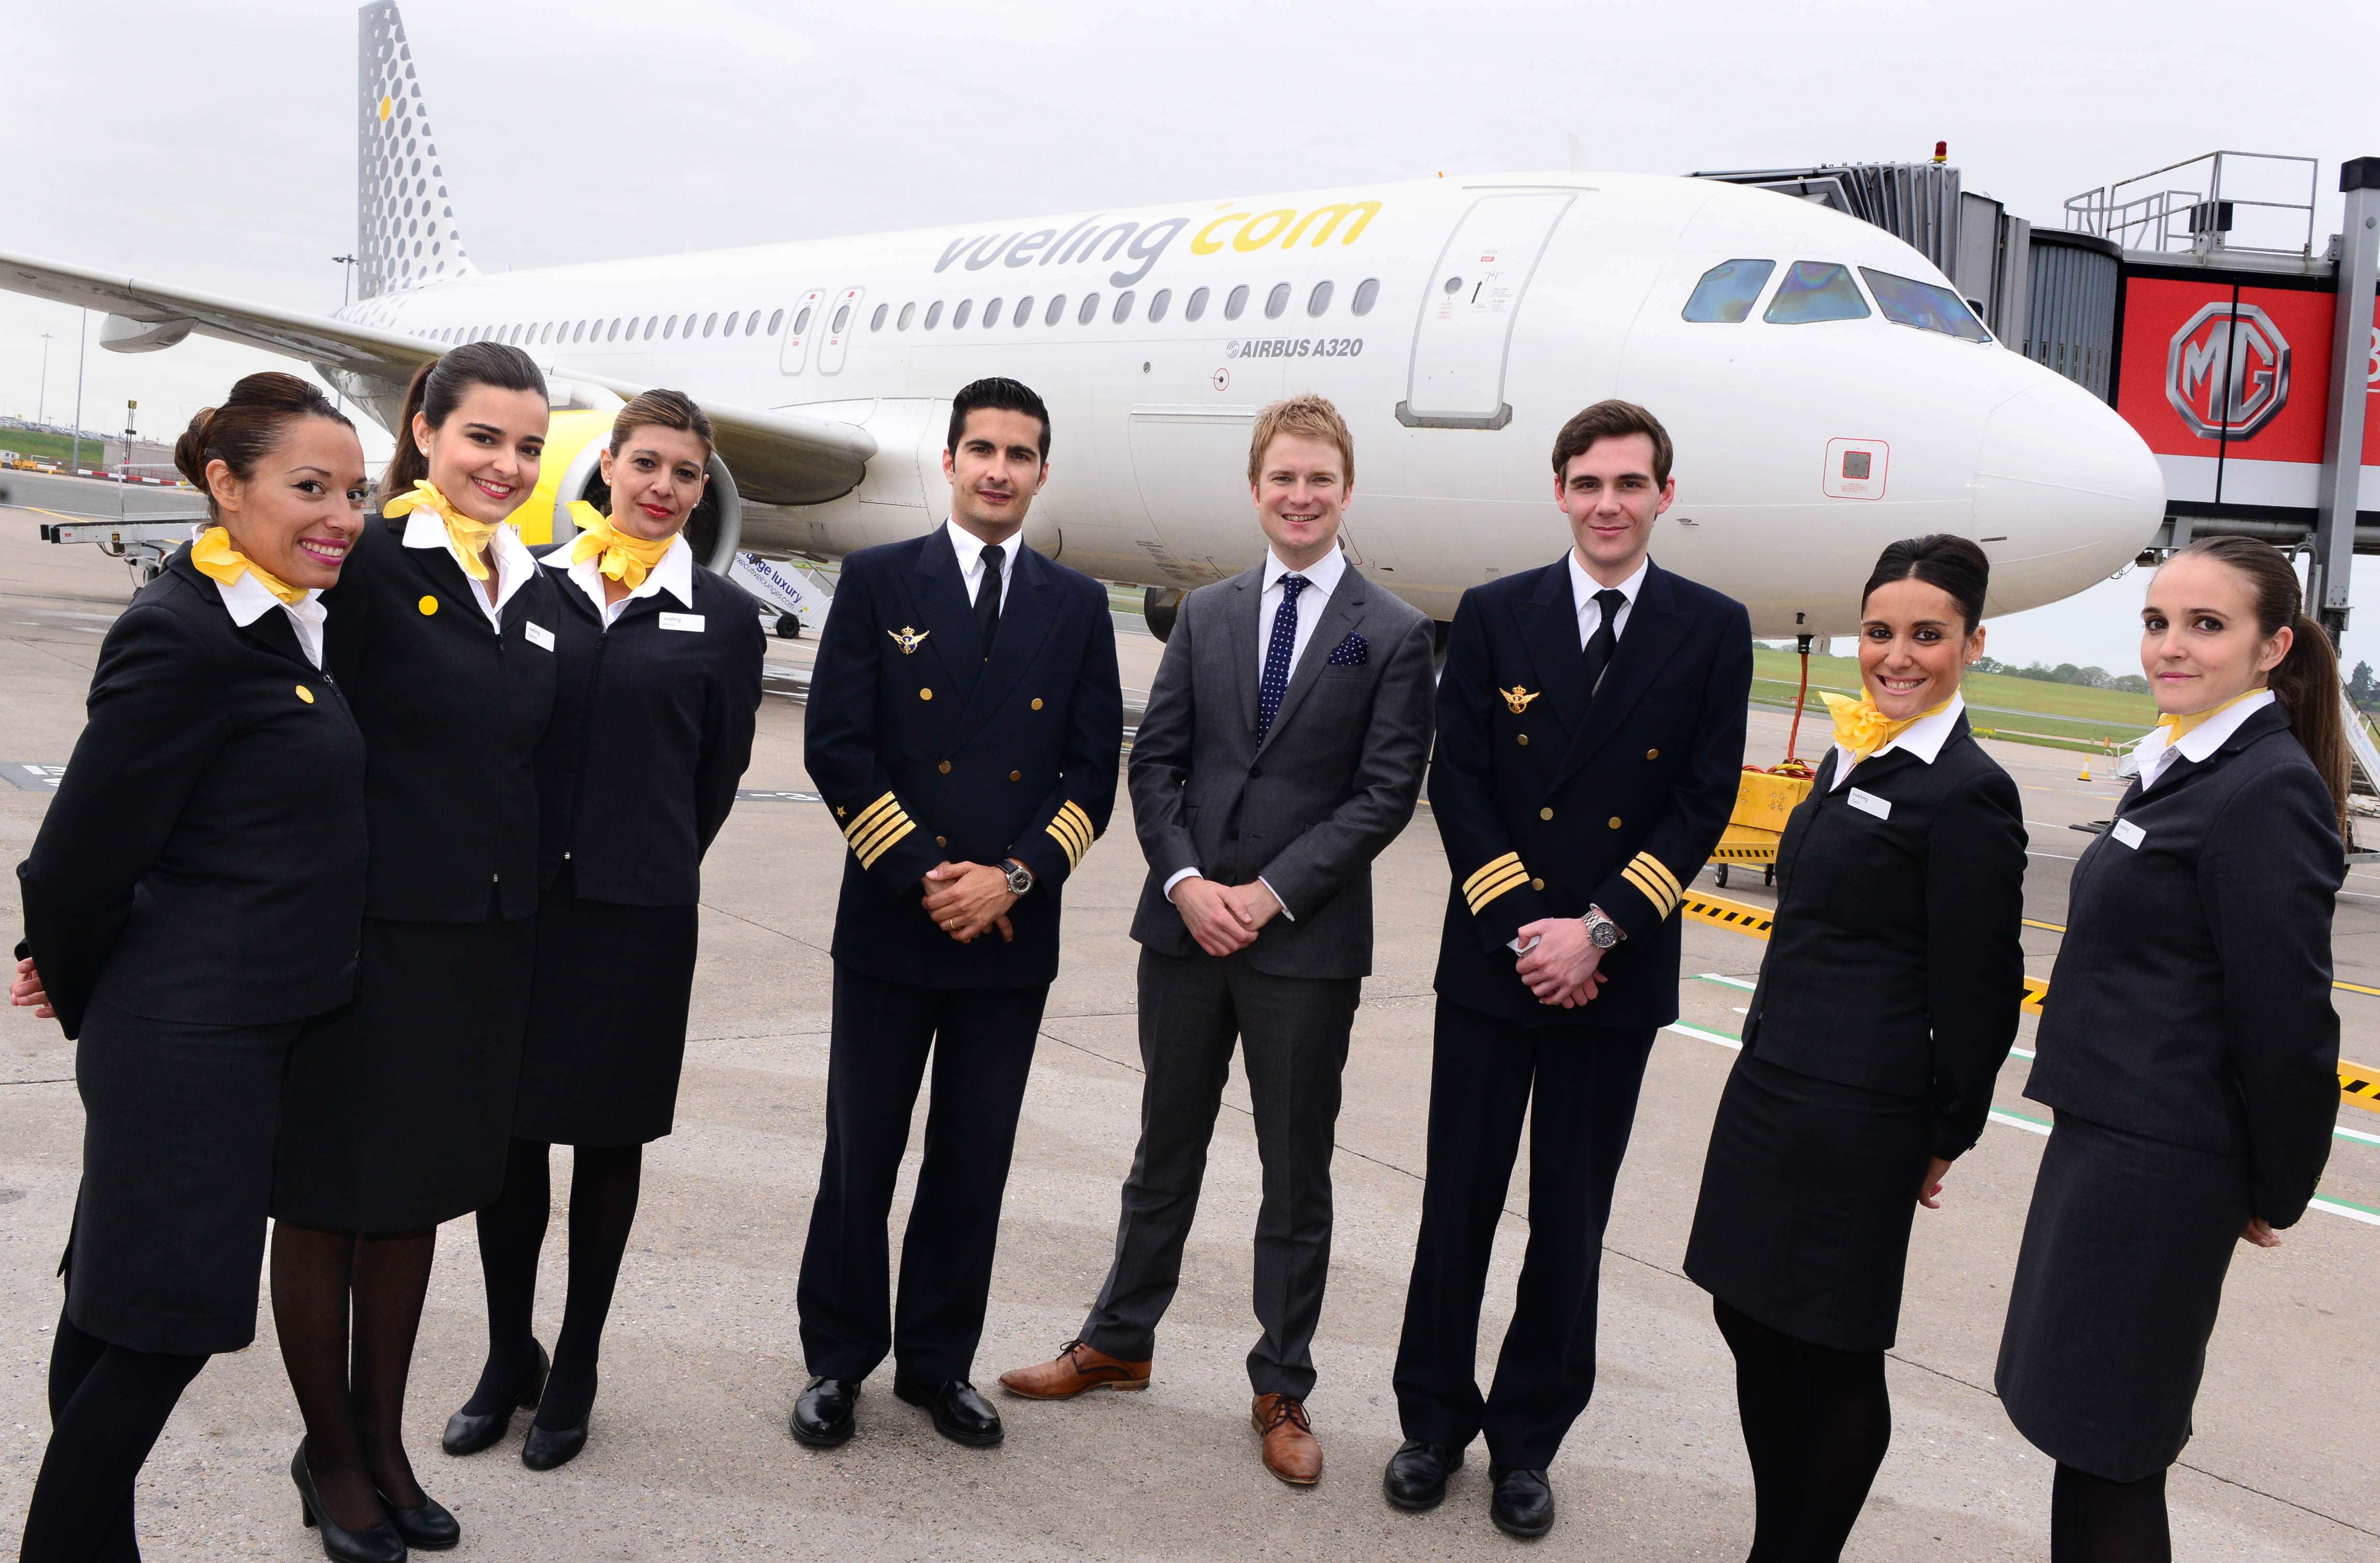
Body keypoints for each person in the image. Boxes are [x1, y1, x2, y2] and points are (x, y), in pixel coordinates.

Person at [996, 395, 1436, 1485]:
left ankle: (1281, 1384)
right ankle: (1117, 1342)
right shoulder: (1207, 614)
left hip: (1302, 943)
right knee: (1163, 1152)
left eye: (1319, 481)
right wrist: (1188, 881)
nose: (1299, 497)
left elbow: (1385, 795)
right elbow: (1157, 763)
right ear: (1256, 489)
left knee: (1297, 1176)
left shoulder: (1391, 631)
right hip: (1186, 931)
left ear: (1345, 492)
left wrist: (1270, 893)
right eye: (1282, 479)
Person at [11, 373, 369, 1561]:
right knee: (166, 1323)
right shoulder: (185, 632)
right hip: (192, 1038)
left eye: (355, 493)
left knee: (114, 1300)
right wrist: (79, 977)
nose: (341, 516)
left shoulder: (271, 616)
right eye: (309, 487)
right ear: (225, 484)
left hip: (217, 1023)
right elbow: (73, 863)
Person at [1385, 399, 1751, 1538]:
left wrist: (1594, 932)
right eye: (1587, 484)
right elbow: (1462, 782)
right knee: (1458, 1200)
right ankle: (1433, 1423)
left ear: (1662, 496)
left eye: (1629, 485)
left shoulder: (1711, 625)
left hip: (1616, 967)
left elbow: (1702, 797)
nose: (1607, 504)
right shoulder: (1496, 615)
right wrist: (1526, 932)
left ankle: (1527, 1443)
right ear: (1559, 492)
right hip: (1497, 963)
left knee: (1571, 1215)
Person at [1997, 536, 2347, 1563]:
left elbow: (2289, 1023)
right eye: (2157, 622)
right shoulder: (2185, 762)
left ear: (2273, 645)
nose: (2171, 646)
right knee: (2084, 1437)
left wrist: (2271, 1184)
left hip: (2159, 1169)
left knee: (2111, 1451)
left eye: (2206, 625)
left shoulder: (2262, 790)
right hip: (2111, 1149)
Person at [266, 340, 560, 1560]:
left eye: (529, 447)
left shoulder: (531, 586)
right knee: (330, 1202)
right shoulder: (366, 560)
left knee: (415, 1206)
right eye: (482, 437)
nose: (504, 464)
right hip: (367, 940)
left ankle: (381, 1442)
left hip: (479, 953)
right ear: (425, 430)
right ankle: (328, 1454)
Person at [793, 376, 1123, 1451]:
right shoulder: (881, 581)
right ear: (948, 462)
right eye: (980, 449)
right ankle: (837, 1364)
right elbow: (837, 747)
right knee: (862, 1155)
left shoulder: (1075, 607)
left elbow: (1088, 777)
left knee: (971, 1162)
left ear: (1039, 471)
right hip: (895, 923)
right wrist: (933, 875)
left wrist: (1013, 879)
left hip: (1010, 936)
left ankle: (938, 1367)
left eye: (1019, 454)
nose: (998, 470)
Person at [1683, 535, 2027, 1562]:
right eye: (1880, 631)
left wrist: (1947, 1128)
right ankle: (1773, 1539)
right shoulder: (1850, 752)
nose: (1897, 654)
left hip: (1859, 1108)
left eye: (1928, 635)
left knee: (1832, 1352)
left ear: (1972, 643)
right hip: (1773, 1084)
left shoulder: (1968, 790)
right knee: (1748, 1320)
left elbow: (1979, 986)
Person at [446, 389, 763, 1472]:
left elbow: (715, 777)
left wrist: (647, 855)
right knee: (508, 1140)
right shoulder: (536, 589)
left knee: (610, 1144)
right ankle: (506, 1355)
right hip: (526, 907)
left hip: (637, 918)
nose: (663, 488)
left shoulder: (722, 619)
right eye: (647, 465)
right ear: (608, 470)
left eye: (684, 473)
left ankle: (576, 1360)